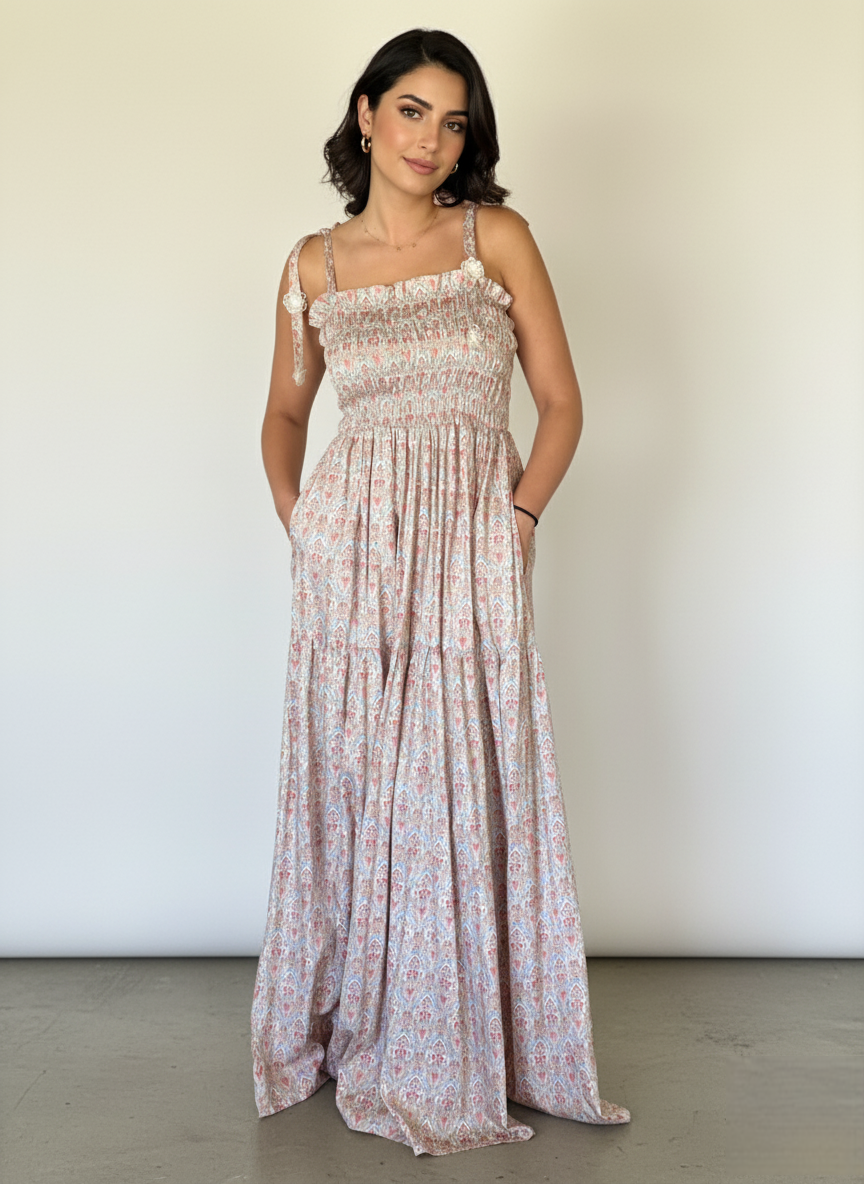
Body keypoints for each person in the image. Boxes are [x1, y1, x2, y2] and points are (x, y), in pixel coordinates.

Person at [250, 27, 630, 1156]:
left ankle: (468, 1034)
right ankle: (365, 1020)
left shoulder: (494, 238)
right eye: (412, 109)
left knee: (459, 777)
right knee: (361, 779)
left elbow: (561, 404)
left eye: (453, 119)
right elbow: (282, 412)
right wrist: (303, 525)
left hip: (471, 543)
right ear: (365, 114)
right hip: (350, 562)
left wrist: (516, 520)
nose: (431, 138)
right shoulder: (312, 264)